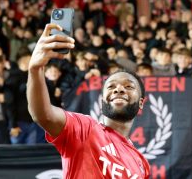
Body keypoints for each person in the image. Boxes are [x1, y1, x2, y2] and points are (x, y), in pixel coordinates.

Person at [27, 23, 150, 178]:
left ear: (140, 103)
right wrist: (35, 69)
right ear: (103, 99)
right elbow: (43, 115)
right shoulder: (85, 128)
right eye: (111, 86)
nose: (119, 89)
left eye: (129, 86)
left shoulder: (141, 163)